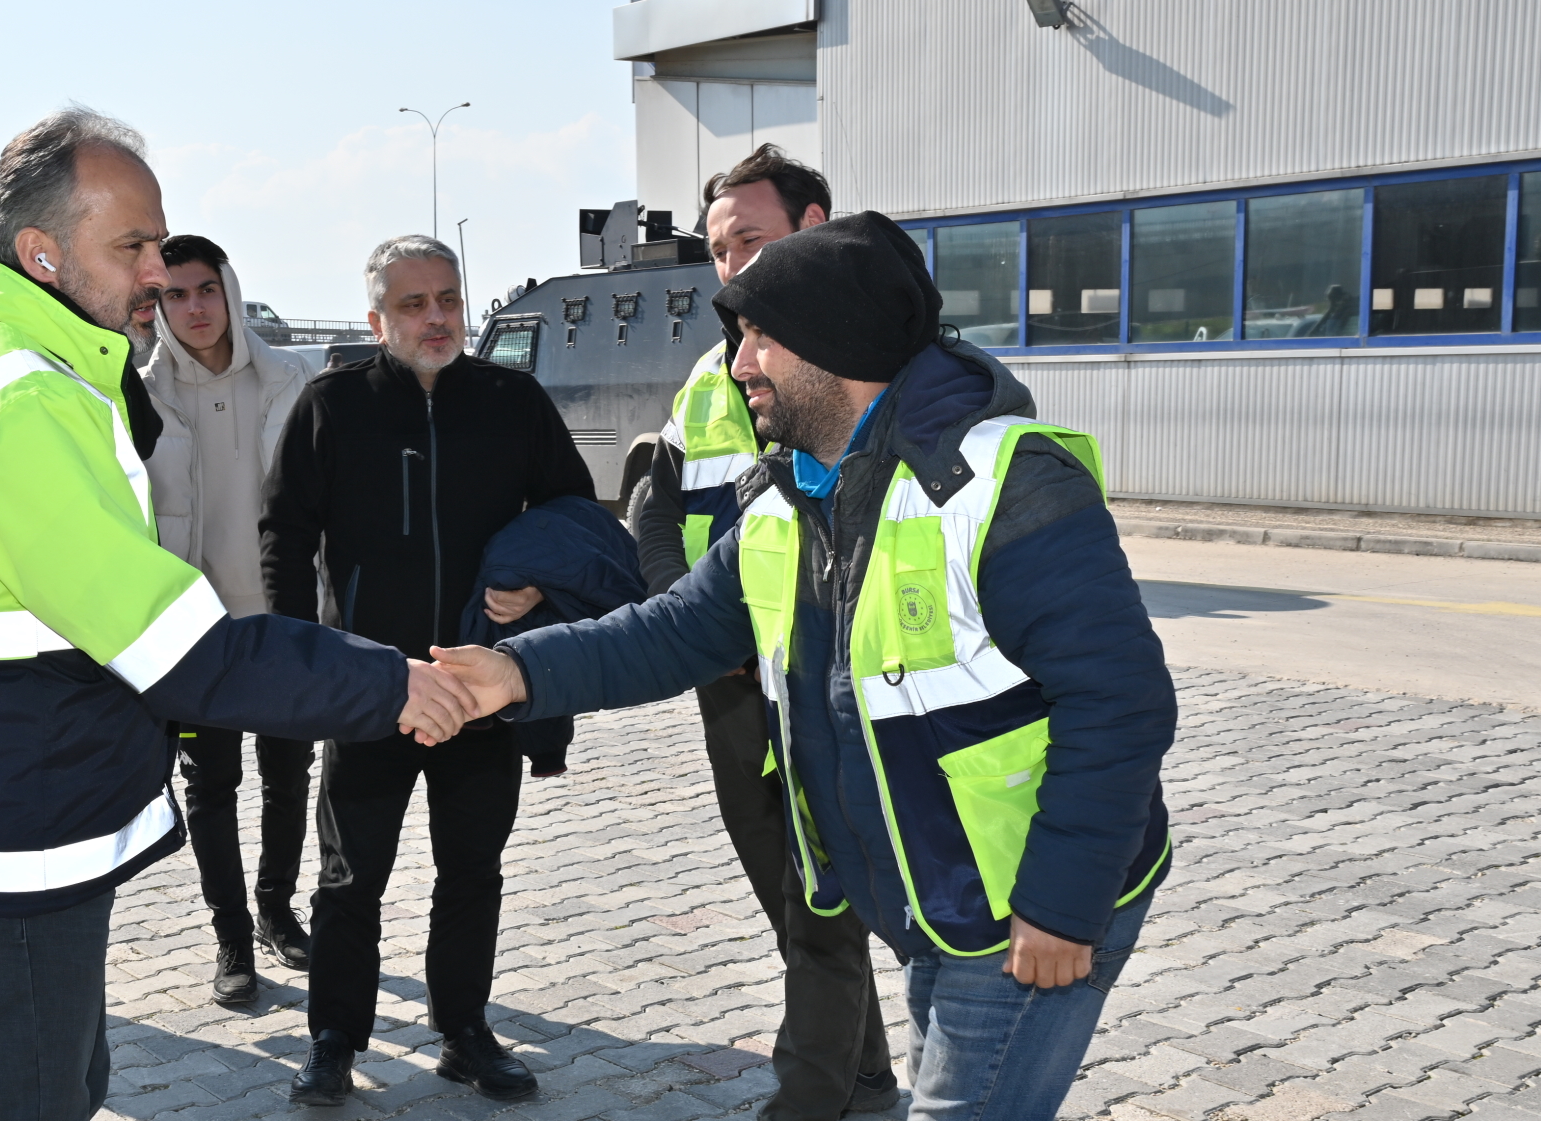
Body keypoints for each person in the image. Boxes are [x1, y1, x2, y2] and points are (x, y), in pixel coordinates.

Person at [433, 212, 1176, 1121]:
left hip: (1026, 902)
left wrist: (1062, 904)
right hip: (939, 899)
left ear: (837, 343)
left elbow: (1121, 702)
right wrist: (514, 672)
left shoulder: (1004, 483)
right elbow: (671, 631)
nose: (740, 363)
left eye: (760, 337)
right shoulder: (791, 496)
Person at [0, 108, 478, 1121]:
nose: (155, 270)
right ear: (42, 253)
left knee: (66, 1084)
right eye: (131, 245)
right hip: (5, 835)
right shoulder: (15, 397)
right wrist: (391, 681)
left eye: (160, 241)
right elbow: (177, 648)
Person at [260, 234, 595, 1107]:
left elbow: (573, 510)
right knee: (349, 878)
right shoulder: (333, 405)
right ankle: (334, 1036)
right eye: (414, 304)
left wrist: (538, 584)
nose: (437, 317)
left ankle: (464, 1030)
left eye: (448, 299)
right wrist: (304, 657)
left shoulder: (513, 400)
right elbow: (285, 533)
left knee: (472, 869)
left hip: (480, 684)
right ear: (377, 320)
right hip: (370, 688)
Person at [635, 144, 897, 1119]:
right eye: (716, 250)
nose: (729, 266)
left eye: (747, 240)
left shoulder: (875, 361)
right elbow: (654, 510)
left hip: (840, 681)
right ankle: (864, 1075)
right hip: (738, 693)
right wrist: (696, 617)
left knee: (839, 894)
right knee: (788, 895)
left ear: (812, 226)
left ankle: (830, 1090)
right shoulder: (710, 378)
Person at [140, 233, 315, 1005]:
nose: (194, 308)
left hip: (281, 621)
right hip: (195, 631)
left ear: (230, 289)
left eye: (205, 289)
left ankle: (278, 910)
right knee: (210, 786)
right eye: (174, 295)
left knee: (288, 775)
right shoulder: (138, 394)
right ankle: (232, 937)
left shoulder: (292, 379)